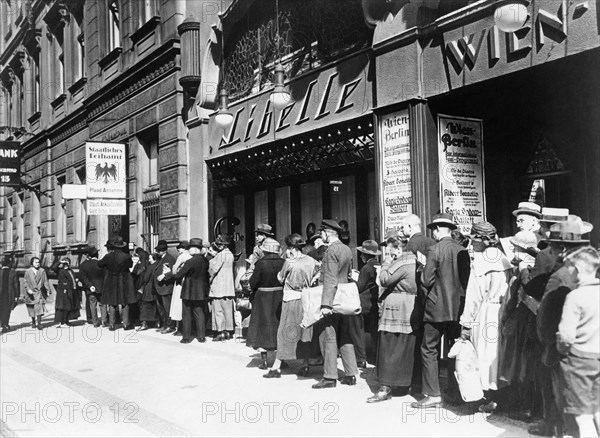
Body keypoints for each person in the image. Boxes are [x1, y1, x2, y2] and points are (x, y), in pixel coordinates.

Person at [530, 216, 593, 437]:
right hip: (590, 344)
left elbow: (545, 316)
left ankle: (556, 429)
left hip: (562, 345)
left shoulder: (560, 276)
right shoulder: (592, 270)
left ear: (563, 248)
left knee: (560, 395)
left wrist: (547, 343)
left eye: (556, 247)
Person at [411, 213, 470, 408]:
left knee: (429, 349)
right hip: (457, 309)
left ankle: (433, 394)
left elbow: (427, 280)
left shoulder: (434, 250)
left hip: (435, 308)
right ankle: (455, 393)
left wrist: (421, 271)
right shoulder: (462, 249)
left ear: (437, 230)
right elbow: (466, 281)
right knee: (454, 349)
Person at [459, 221, 513, 412]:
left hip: (486, 311)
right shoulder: (503, 258)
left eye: (474, 240)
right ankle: (500, 395)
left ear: (482, 240)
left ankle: (487, 397)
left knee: (483, 354)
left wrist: (466, 323)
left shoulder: (480, 262)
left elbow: (473, 296)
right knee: (499, 353)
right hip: (503, 310)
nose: (472, 244)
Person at [367, 235, 418, 403]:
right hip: (409, 307)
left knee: (389, 347)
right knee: (403, 347)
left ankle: (385, 388)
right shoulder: (414, 260)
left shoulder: (402, 262)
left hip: (396, 308)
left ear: (398, 248)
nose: (389, 253)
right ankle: (402, 384)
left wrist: (386, 263)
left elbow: (384, 279)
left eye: (390, 250)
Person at [556, 246, 600, 438]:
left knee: (582, 414)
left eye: (570, 267)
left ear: (579, 269)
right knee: (597, 408)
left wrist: (561, 350)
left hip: (579, 360)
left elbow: (566, 336)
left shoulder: (574, 296)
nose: (568, 271)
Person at [312, 219, 358, 389]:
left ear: (328, 233)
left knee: (328, 336)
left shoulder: (331, 251)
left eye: (322, 232)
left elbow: (330, 278)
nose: (320, 235)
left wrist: (326, 304)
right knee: (345, 335)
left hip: (331, 298)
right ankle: (351, 373)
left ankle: (330, 377)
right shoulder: (346, 249)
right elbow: (347, 274)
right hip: (343, 298)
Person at [499, 231, 539, 420]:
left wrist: (522, 268)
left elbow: (527, 290)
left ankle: (527, 406)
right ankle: (521, 403)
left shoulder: (529, 268)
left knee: (524, 364)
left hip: (526, 321)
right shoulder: (524, 266)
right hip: (521, 320)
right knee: (519, 363)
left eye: (515, 248)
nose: (512, 251)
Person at [264, 234, 317, 378]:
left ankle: (277, 366)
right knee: (304, 331)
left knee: (284, 332)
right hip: (306, 299)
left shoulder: (289, 262)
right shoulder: (312, 261)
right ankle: (305, 364)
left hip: (291, 299)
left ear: (292, 247)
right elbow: (317, 275)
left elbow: (280, 278)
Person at [401, 214, 436, 393]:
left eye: (403, 227)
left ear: (410, 226)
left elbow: (408, 272)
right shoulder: (431, 242)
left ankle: (415, 381)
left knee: (416, 340)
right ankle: (427, 381)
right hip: (430, 296)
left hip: (415, 295)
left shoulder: (411, 244)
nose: (402, 230)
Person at [161, 238, 210, 344]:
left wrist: (173, 271)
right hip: (200, 290)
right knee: (199, 312)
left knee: (186, 314)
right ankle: (201, 336)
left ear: (195, 249)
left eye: (190, 248)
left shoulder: (190, 261)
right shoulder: (204, 260)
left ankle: (186, 337)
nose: (189, 250)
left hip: (188, 290)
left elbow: (179, 275)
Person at [247, 237, 285, 369]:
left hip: (262, 297)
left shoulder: (260, 264)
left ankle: (264, 361)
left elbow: (253, 283)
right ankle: (282, 360)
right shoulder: (283, 262)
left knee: (261, 326)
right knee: (279, 326)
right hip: (279, 296)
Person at [98, 236, 138, 331]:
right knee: (125, 302)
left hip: (112, 281)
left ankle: (112, 325)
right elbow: (130, 265)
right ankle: (126, 324)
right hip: (124, 281)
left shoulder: (109, 256)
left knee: (112, 303)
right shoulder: (126, 256)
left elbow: (99, 264)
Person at [353, 240, 382, 368]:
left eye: (362, 254)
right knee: (374, 330)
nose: (360, 256)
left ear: (366, 255)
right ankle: (375, 356)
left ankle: (361, 358)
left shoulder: (366, 268)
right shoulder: (379, 265)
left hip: (364, 304)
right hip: (375, 302)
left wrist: (353, 279)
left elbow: (359, 287)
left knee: (358, 330)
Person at [209, 234, 236, 341]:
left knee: (218, 310)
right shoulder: (230, 255)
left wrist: (211, 260)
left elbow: (213, 269)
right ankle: (228, 331)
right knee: (228, 310)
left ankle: (220, 332)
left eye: (220, 244)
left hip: (218, 286)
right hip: (228, 286)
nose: (219, 246)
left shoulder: (220, 255)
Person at [77, 247, 106, 328]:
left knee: (92, 305)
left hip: (90, 288)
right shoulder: (101, 264)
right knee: (103, 304)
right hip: (101, 287)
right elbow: (105, 276)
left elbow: (82, 277)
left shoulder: (84, 264)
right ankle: (104, 321)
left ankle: (95, 322)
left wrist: (90, 285)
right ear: (97, 255)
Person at [153, 240, 177, 334]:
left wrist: (164, 276)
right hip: (160, 288)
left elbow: (173, 272)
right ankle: (164, 325)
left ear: (164, 251)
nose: (158, 252)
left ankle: (170, 326)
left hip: (166, 288)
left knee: (167, 308)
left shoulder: (169, 258)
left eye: (160, 250)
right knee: (161, 308)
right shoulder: (160, 258)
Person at [169, 240, 193, 336]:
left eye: (180, 248)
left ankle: (180, 328)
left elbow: (174, 270)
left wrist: (175, 269)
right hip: (190, 282)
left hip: (180, 281)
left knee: (178, 304)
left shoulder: (182, 256)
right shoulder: (192, 256)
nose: (179, 250)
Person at [23, 257, 52, 330]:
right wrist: (28, 289)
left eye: (38, 262)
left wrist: (48, 290)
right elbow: (25, 282)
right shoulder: (28, 271)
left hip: (39, 292)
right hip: (31, 293)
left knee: (39, 308)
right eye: (36, 262)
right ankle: (33, 322)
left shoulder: (42, 271)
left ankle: (39, 323)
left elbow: (45, 281)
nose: (37, 264)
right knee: (31, 308)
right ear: (32, 263)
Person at [52, 257, 81, 328]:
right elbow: (54, 267)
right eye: (65, 262)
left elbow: (73, 278)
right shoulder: (60, 271)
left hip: (72, 290)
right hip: (64, 291)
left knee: (69, 306)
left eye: (68, 262)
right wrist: (60, 261)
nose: (66, 264)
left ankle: (67, 321)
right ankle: (62, 322)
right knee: (64, 307)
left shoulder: (70, 270)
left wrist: (76, 279)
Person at [136, 252, 160, 331]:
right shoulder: (158, 265)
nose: (149, 260)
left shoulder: (150, 267)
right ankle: (157, 322)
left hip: (149, 288)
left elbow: (146, 278)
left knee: (145, 305)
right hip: (156, 288)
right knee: (155, 306)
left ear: (154, 259)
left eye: (150, 258)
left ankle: (144, 323)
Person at [0, 255, 19, 332]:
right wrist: (17, 296)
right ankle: (5, 324)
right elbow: (16, 284)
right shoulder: (13, 272)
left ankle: (2, 323)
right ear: (9, 264)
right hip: (9, 294)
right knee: (7, 309)